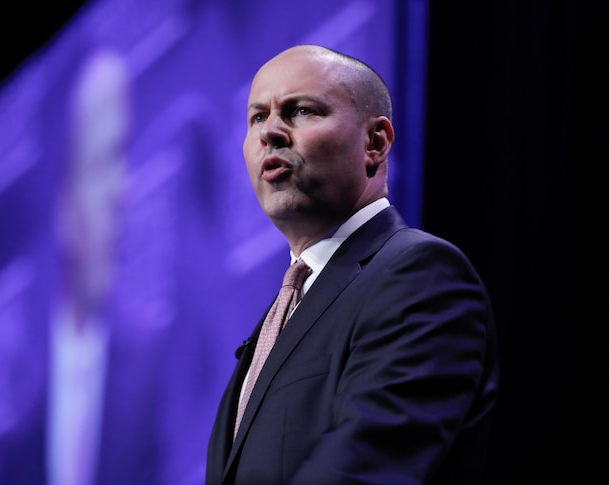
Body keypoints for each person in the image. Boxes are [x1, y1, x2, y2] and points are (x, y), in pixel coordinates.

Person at [206, 45, 499, 484]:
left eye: (301, 110)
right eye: (257, 117)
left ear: (374, 142)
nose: (271, 133)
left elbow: (365, 465)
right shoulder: (284, 309)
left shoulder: (419, 275)